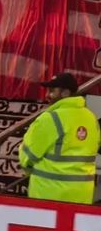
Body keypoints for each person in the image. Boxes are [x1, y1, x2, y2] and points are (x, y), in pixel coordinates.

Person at [19, 73, 100, 204]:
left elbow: (27, 157)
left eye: (52, 91)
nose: (47, 95)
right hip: (82, 195)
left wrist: (29, 169)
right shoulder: (91, 118)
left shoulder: (49, 118)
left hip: (49, 194)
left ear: (65, 93)